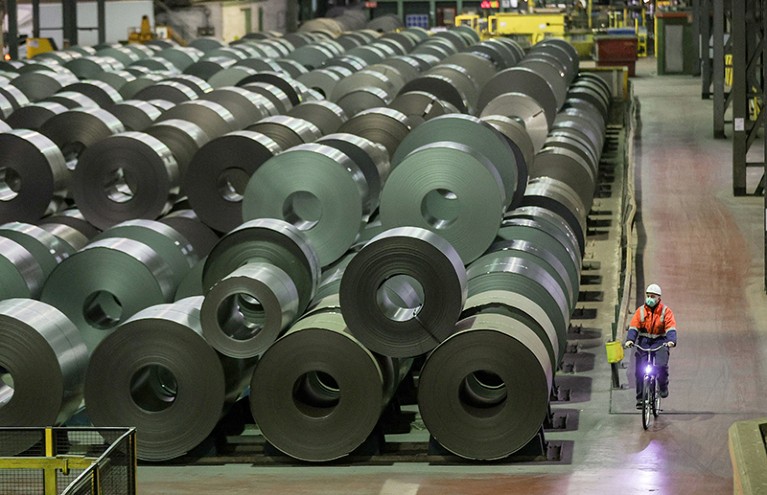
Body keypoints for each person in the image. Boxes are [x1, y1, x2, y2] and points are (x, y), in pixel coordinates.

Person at [624, 283, 677, 409]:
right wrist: (630, 340)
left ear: (658, 298)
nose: (649, 298)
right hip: (644, 342)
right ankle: (640, 398)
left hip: (661, 342)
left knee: (661, 366)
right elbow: (634, 327)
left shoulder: (666, 312)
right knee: (639, 371)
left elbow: (670, 328)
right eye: (648, 296)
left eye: (652, 296)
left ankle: (663, 385)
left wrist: (671, 341)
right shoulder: (641, 311)